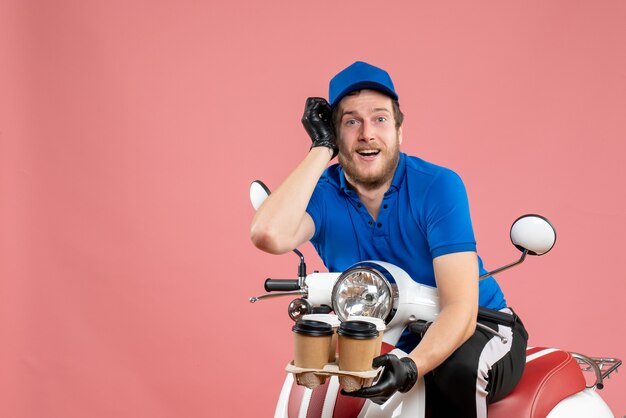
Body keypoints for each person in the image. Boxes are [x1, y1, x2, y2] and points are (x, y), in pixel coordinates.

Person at [250, 61, 528, 418]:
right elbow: (268, 234)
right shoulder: (322, 194)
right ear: (337, 135)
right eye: (351, 121)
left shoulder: (437, 186)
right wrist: (320, 148)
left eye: (380, 119)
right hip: (385, 333)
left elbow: (459, 308)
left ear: (399, 132)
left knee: (455, 369)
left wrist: (411, 367)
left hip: (481, 326)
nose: (367, 133)